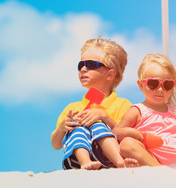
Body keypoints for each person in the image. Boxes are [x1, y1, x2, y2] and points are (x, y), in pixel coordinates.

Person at [51, 36, 138, 170]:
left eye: (91, 65)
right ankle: (85, 162)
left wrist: (105, 117)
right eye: (81, 65)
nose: (83, 69)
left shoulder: (123, 105)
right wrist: (63, 128)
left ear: (110, 75)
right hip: (77, 164)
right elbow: (56, 145)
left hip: (110, 162)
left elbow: (127, 137)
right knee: (78, 128)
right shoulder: (73, 108)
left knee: (97, 125)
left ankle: (120, 163)